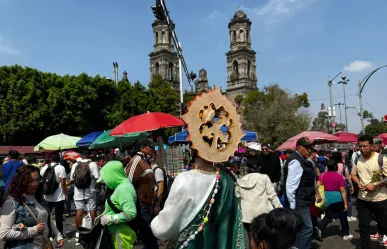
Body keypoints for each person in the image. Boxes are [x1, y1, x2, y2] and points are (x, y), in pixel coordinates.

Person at [151, 87, 245, 249]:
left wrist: (155, 222)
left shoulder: (186, 179)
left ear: (193, 147)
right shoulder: (228, 179)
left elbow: (163, 228)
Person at [0, 165, 64, 249]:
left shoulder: (38, 197)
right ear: (21, 181)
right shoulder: (12, 202)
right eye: (30, 181)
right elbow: (4, 234)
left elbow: (45, 218)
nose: (35, 184)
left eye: (37, 180)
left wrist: (58, 235)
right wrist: (34, 230)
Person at [282, 137, 320, 249]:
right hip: (299, 200)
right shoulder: (295, 161)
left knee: (301, 228)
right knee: (307, 228)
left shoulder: (303, 159)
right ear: (298, 147)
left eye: (309, 148)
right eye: (306, 148)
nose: (308, 150)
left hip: (304, 198)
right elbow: (290, 186)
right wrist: (293, 205)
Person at [351, 135, 387, 249]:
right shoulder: (357, 159)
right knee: (364, 227)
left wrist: (375, 184)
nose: (362, 149)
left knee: (384, 226)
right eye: (360, 146)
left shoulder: (381, 159)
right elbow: (353, 174)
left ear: (372, 146)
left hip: (380, 199)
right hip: (363, 200)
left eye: (365, 146)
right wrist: (358, 183)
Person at [125, 138, 158, 249]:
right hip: (140, 206)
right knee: (148, 237)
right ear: (143, 148)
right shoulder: (136, 161)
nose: (154, 149)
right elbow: (128, 184)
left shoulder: (144, 161)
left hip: (146, 205)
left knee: (147, 237)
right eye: (151, 147)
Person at [236, 169, 282, 249]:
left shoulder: (240, 181)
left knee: (251, 238)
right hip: (263, 215)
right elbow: (272, 196)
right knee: (266, 240)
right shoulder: (264, 178)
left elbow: (237, 198)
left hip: (247, 217)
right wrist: (280, 209)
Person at [96, 161, 137, 249]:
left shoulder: (123, 190)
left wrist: (110, 218)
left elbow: (130, 213)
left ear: (112, 176)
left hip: (121, 233)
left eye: (105, 179)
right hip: (118, 232)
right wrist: (103, 215)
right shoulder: (122, 186)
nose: (104, 182)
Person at [317, 159, 353, 240]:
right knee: (343, 216)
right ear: (335, 167)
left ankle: (319, 228)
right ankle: (345, 234)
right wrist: (346, 203)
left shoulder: (322, 175)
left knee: (328, 215)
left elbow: (317, 186)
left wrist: (319, 194)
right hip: (338, 197)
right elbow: (342, 190)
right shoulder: (339, 176)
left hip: (327, 198)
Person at [69, 150, 100, 229]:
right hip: (90, 191)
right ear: (89, 155)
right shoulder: (93, 164)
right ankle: (94, 229)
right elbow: (97, 178)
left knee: (79, 211)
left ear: (80, 155)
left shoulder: (75, 165)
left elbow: (72, 179)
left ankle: (79, 230)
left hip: (78, 191)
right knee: (92, 210)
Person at [40, 153, 68, 236]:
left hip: (46, 196)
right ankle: (59, 233)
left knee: (47, 216)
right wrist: (66, 194)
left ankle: (48, 234)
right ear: (59, 160)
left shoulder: (44, 167)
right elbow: (63, 183)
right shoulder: (61, 167)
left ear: (50, 159)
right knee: (58, 216)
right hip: (58, 196)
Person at [328, 152, 356, 222]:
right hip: (343, 183)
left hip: (332, 183)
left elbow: (325, 174)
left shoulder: (329, 165)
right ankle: (348, 215)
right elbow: (347, 177)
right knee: (348, 199)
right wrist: (351, 186)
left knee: (334, 199)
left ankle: (333, 215)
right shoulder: (343, 166)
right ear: (341, 157)